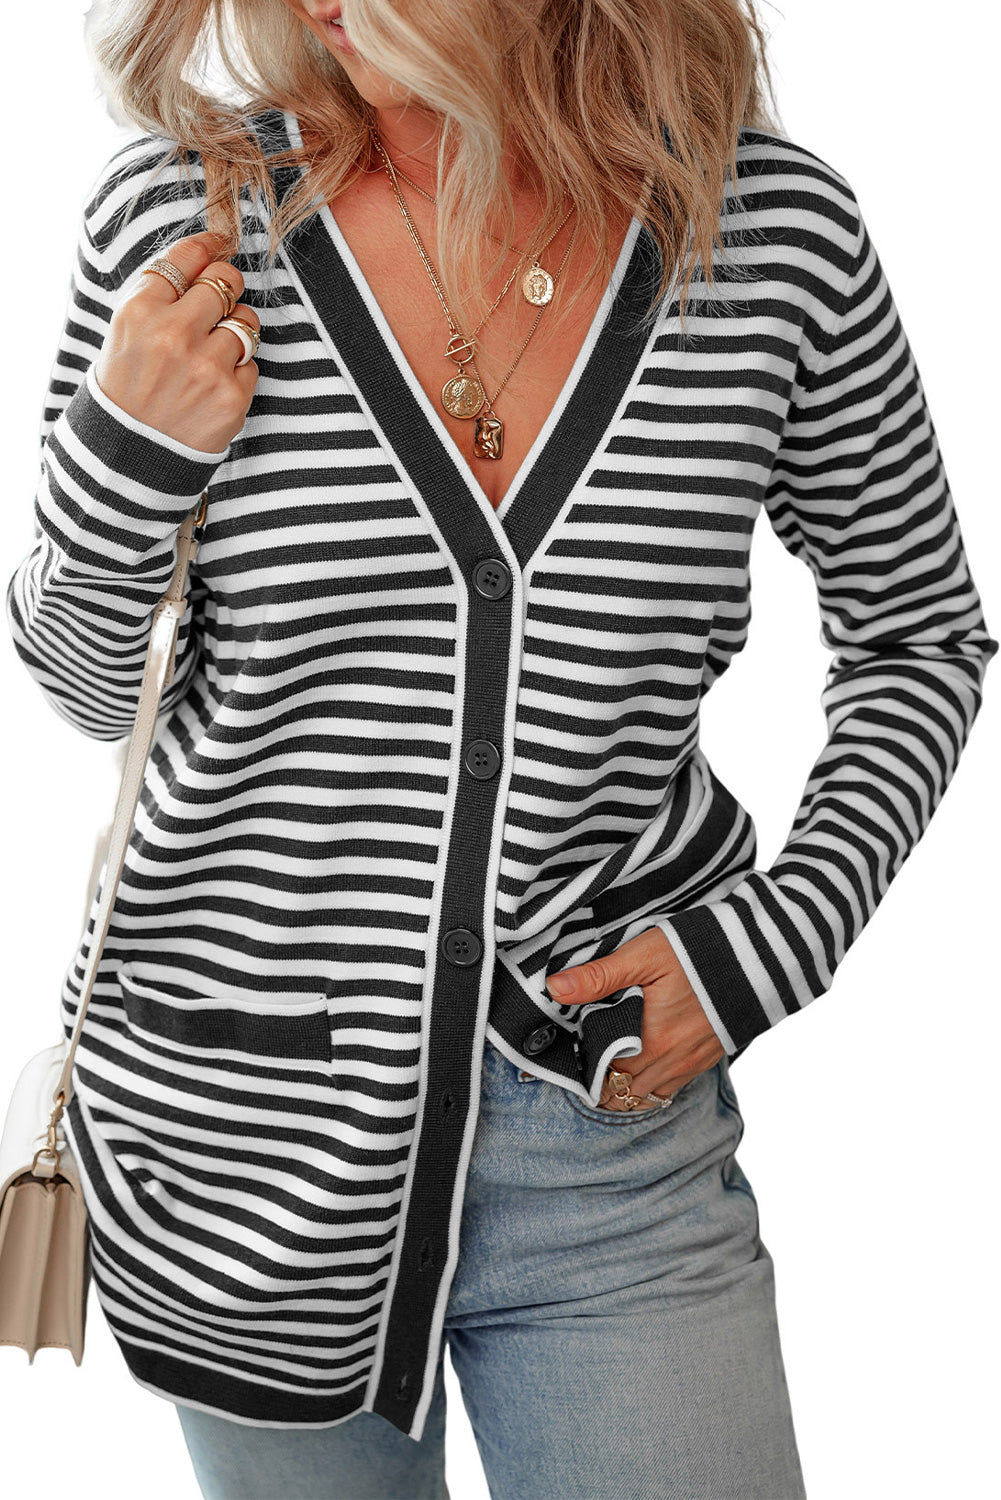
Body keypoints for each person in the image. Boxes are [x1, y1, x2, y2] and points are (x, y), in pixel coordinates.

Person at [6, 1, 996, 1496]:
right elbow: (82, 688)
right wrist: (126, 452)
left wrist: (771, 943)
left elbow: (917, 635)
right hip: (246, 1146)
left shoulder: (769, 238)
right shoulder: (185, 224)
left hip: (607, 1127)